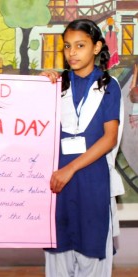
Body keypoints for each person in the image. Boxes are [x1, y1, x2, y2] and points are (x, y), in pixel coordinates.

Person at [40, 19, 123, 276]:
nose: (72, 52)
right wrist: (39, 84)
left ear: (97, 47)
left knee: (92, 252)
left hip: (91, 180)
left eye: (80, 45)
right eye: (67, 46)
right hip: (58, 184)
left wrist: (71, 169)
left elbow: (109, 139)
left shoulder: (109, 86)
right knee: (58, 252)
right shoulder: (56, 84)